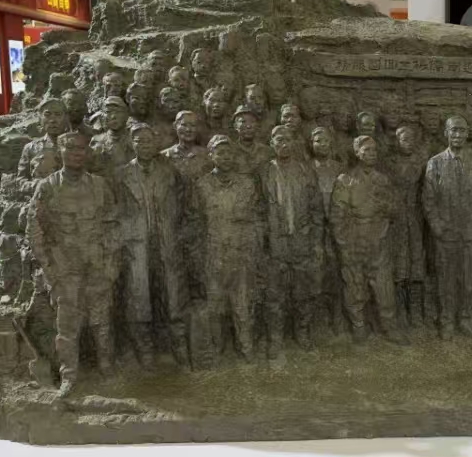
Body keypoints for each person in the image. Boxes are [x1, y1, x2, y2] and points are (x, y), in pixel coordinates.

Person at [27, 131, 119, 397]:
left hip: (97, 265)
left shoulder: (100, 186)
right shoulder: (47, 187)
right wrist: (50, 271)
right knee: (67, 326)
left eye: (81, 148)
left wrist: (111, 264)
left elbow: (113, 226)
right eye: (70, 148)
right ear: (60, 152)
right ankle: (69, 376)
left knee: (102, 321)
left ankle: (107, 369)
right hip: (65, 269)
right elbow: (35, 232)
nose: (77, 153)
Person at [116, 122, 189, 369]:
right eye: (139, 141)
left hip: (166, 242)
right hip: (136, 246)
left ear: (156, 143)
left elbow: (183, 205)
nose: (145, 145)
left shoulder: (170, 172)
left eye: (149, 140)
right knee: (139, 299)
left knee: (173, 297)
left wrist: (177, 234)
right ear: (132, 144)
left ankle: (178, 345)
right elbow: (114, 212)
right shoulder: (122, 175)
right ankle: (145, 350)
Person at [194, 135, 265, 361]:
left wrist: (253, 252)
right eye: (220, 153)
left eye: (229, 153)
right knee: (215, 307)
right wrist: (199, 258)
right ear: (211, 156)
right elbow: (194, 223)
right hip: (213, 256)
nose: (225, 157)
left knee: (243, 306)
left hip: (241, 256)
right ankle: (217, 348)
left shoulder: (247, 184)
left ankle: (246, 348)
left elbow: (256, 220)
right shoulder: (201, 185)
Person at [422, 115, 472, 339]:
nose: (458, 134)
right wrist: (437, 228)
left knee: (468, 280)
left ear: (467, 134)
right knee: (446, 280)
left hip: (470, 234)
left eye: (462, 130)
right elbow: (428, 200)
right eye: (454, 130)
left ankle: (465, 318)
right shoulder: (435, 163)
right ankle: (447, 320)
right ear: (446, 133)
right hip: (446, 235)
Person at [330, 135, 401, 343]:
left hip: (378, 240)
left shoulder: (383, 180)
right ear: (357, 152)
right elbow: (337, 217)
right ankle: (358, 325)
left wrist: (385, 205)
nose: (371, 154)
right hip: (354, 240)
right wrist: (344, 245)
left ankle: (389, 326)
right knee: (354, 285)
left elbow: (395, 210)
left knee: (384, 287)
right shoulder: (345, 180)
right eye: (367, 150)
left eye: (374, 150)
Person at [263, 125, 324, 353]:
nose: (284, 144)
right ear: (272, 144)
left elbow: (317, 210)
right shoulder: (264, 172)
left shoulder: (305, 171)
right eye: (279, 140)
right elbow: (257, 211)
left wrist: (316, 241)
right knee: (274, 295)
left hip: (302, 242)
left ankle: (303, 332)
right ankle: (276, 338)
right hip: (275, 245)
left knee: (303, 293)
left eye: (287, 140)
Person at [389, 124, 427, 327]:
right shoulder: (389, 163)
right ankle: (400, 310)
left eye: (411, 139)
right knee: (398, 264)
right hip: (396, 220)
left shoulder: (422, 162)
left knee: (416, 263)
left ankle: (416, 310)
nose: (408, 143)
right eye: (404, 139)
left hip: (415, 218)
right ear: (397, 142)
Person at [309, 126, 345, 333]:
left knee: (337, 272)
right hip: (313, 228)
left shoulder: (339, 168)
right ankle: (318, 319)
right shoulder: (306, 167)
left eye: (325, 141)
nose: (321, 144)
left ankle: (337, 316)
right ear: (311, 144)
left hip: (336, 228)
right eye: (317, 141)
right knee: (315, 273)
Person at [16, 99, 68, 193]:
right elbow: (20, 181)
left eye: (58, 114)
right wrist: (38, 185)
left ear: (66, 118)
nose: (53, 120)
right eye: (47, 115)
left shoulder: (77, 146)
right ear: (40, 119)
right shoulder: (31, 148)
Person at [89, 96, 134, 181]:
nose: (113, 116)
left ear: (126, 115)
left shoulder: (135, 139)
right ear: (103, 116)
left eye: (117, 112)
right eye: (108, 112)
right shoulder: (97, 141)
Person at [231, 104, 274, 175]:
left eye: (252, 121)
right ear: (235, 126)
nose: (248, 126)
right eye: (243, 121)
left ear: (257, 125)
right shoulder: (230, 151)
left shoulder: (267, 152)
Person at [156, 86, 187, 150]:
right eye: (166, 101)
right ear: (159, 103)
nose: (171, 106)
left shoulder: (188, 127)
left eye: (175, 102)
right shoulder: (153, 129)